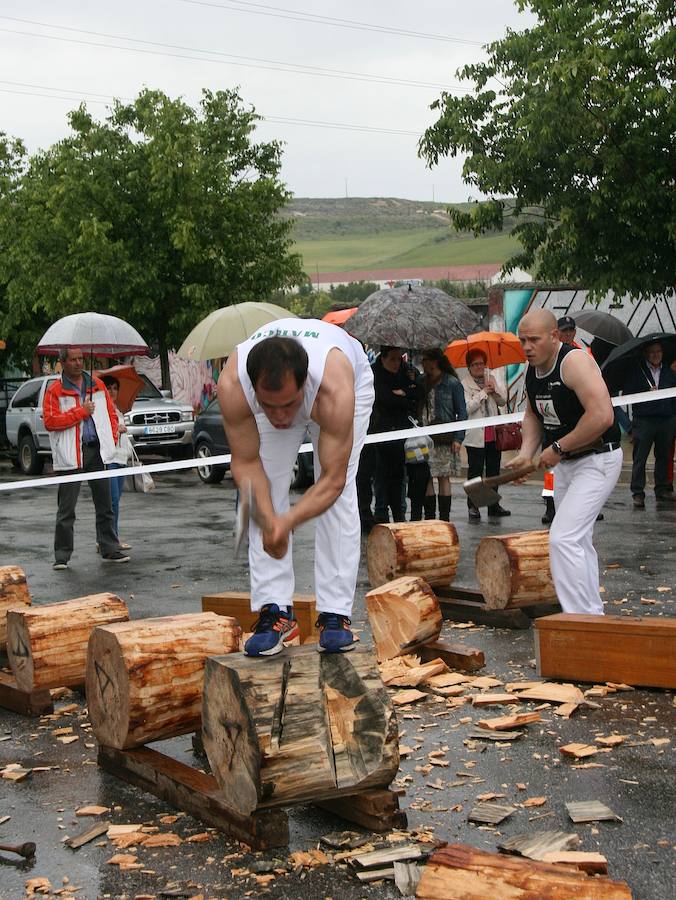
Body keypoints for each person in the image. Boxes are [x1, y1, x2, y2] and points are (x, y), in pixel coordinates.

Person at [218, 318, 374, 656]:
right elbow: (245, 464)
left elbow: (333, 480)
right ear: (255, 389)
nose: (281, 417)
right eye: (269, 406)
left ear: (305, 384)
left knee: (339, 499)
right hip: (284, 388)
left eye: (289, 405)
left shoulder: (335, 387)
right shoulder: (233, 384)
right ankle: (274, 611)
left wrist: (285, 524)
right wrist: (267, 519)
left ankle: (335, 615)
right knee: (265, 492)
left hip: (347, 381)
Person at [507, 309, 621, 615]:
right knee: (578, 541)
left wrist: (558, 446)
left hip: (598, 458)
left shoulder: (574, 362)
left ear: (554, 336)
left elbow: (602, 415)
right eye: (522, 340)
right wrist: (525, 453)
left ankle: (575, 618)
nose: (527, 347)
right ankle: (591, 615)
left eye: (533, 340)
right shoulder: (533, 369)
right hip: (568, 464)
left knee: (562, 538)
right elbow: (533, 413)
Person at [43, 348, 130, 569]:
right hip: (71, 454)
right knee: (67, 508)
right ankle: (61, 556)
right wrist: (81, 412)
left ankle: (109, 548)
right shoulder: (55, 391)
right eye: (73, 359)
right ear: (62, 362)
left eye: (81, 359)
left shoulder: (97, 386)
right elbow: (51, 422)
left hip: (96, 452)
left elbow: (110, 414)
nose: (78, 363)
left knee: (105, 503)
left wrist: (110, 438)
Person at [622, 340, 676, 508]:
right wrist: (647, 393)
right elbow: (627, 392)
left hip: (665, 420)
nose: (656, 355)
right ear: (646, 354)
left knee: (664, 456)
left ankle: (662, 489)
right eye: (652, 352)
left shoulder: (668, 371)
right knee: (640, 457)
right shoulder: (638, 372)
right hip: (644, 420)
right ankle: (638, 492)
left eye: (658, 351)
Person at [370, 347, 421, 523]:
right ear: (382, 359)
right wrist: (402, 397)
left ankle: (399, 513)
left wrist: (405, 393)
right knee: (381, 474)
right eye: (392, 359)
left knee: (399, 476)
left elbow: (417, 393)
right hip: (380, 430)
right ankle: (381, 512)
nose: (396, 363)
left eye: (399, 359)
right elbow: (385, 399)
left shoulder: (406, 371)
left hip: (401, 431)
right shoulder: (374, 373)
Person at [460, 349, 510, 520]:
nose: (479, 367)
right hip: (475, 435)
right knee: (475, 471)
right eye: (474, 364)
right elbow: (467, 408)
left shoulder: (491, 379)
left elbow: (503, 401)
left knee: (493, 470)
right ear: (469, 367)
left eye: (481, 363)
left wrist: (494, 390)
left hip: (493, 433)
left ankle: (493, 505)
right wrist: (483, 393)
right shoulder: (464, 384)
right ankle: (473, 506)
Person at [418, 348, 466, 521]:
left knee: (444, 477)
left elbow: (462, 412)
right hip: (424, 438)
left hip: (444, 437)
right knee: (427, 477)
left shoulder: (452, 383)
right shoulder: (421, 381)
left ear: (434, 361)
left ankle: (444, 518)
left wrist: (458, 438)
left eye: (425, 359)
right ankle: (430, 517)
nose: (422, 363)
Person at [101, 375, 132, 548]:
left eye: (115, 388)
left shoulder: (118, 410)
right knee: (111, 500)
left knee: (116, 500)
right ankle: (109, 539)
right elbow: (103, 433)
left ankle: (111, 536)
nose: (112, 391)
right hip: (110, 459)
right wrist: (116, 429)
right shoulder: (103, 409)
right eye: (109, 388)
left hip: (121, 458)